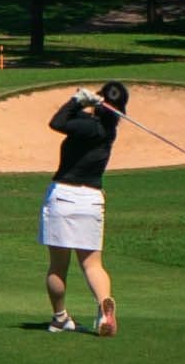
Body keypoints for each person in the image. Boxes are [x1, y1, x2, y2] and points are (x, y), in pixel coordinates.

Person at [41, 81, 126, 336]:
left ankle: (59, 318)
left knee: (58, 266)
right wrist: (88, 105)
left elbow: (57, 122)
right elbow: (77, 125)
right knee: (92, 264)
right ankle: (103, 305)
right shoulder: (108, 131)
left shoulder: (88, 127)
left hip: (63, 197)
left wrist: (77, 101)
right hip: (91, 199)